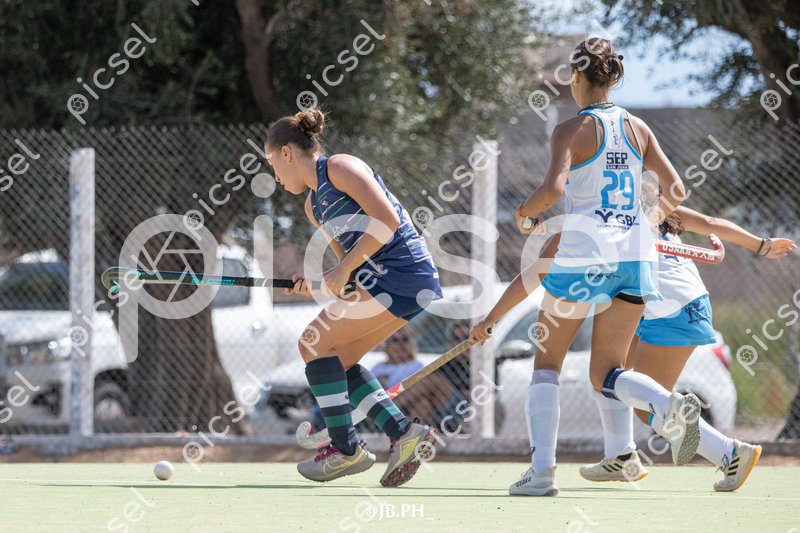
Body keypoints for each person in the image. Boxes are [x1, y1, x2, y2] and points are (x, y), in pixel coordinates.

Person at [472, 37, 697, 497]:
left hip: (584, 255)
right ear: (611, 77)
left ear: (577, 76)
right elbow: (676, 190)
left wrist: (523, 214)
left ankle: (541, 473)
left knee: (546, 364)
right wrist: (642, 222)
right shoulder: (639, 127)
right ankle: (663, 407)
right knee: (609, 371)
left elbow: (553, 191)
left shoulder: (570, 129)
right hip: (635, 257)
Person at [266, 109, 442, 487]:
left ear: (286, 153)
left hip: (403, 274)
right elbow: (347, 269)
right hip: (389, 283)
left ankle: (346, 450)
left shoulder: (340, 168)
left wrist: (343, 270)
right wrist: (318, 283)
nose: (275, 177)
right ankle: (403, 433)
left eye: (272, 164)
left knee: (311, 343)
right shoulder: (313, 205)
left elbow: (387, 221)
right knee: (337, 361)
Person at [578, 207, 795, 491]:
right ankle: (621, 455)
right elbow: (711, 222)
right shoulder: (660, 206)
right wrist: (762, 244)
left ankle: (729, 452)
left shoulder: (612, 210)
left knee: (637, 397)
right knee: (618, 376)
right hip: (688, 301)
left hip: (667, 308)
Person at [373, 328, 465, 430]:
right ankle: (406, 432)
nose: (400, 344)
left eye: (405, 339)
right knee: (423, 403)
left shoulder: (416, 366)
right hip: (400, 408)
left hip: (407, 407)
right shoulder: (378, 368)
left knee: (423, 400)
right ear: (387, 344)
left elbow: (423, 391)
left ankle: (389, 410)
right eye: (395, 340)